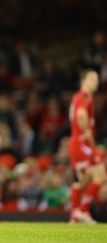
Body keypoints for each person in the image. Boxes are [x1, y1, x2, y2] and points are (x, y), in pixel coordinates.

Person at [68, 69, 107, 224]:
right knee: (100, 175)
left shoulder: (77, 96)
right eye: (92, 79)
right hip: (81, 143)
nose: (96, 82)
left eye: (97, 79)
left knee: (83, 181)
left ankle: (75, 215)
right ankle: (82, 211)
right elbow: (81, 115)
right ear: (83, 80)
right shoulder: (85, 96)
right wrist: (87, 133)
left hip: (76, 143)